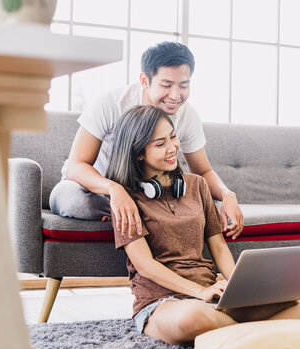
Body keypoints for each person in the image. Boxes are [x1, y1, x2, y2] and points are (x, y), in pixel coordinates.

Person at [105, 105, 300, 346]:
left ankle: (242, 334)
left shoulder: (198, 186)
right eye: (160, 144)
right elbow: (145, 266)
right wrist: (197, 292)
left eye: (173, 137)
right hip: (163, 303)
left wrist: (239, 289)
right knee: (190, 319)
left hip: (212, 295)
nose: (172, 148)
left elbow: (219, 246)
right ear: (139, 153)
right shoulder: (127, 200)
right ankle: (267, 333)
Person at [50, 41, 244, 239]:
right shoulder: (111, 102)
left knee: (202, 203)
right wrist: (113, 189)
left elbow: (202, 171)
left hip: (147, 194)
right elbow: (76, 166)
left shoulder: (188, 115)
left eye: (184, 85)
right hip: (93, 190)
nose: (176, 96)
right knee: (73, 201)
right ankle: (137, 213)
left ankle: (137, 213)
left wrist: (227, 194)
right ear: (144, 80)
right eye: (166, 85)